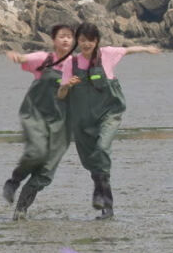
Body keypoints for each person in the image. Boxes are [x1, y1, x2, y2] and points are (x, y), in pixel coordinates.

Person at [57, 23, 162, 219]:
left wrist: (147, 49)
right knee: (92, 163)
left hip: (108, 114)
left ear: (96, 41)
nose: (86, 44)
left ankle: (103, 200)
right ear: (77, 41)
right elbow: (61, 94)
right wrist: (66, 86)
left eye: (90, 40)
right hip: (82, 121)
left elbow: (129, 49)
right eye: (82, 40)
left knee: (102, 148)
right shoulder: (70, 64)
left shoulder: (107, 54)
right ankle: (105, 201)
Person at [2, 26, 75, 220]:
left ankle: (21, 211)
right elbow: (25, 59)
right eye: (62, 37)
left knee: (46, 172)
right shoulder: (44, 59)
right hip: (36, 115)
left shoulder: (78, 65)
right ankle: (14, 181)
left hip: (64, 123)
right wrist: (17, 56)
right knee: (37, 153)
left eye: (69, 37)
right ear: (54, 40)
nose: (66, 40)